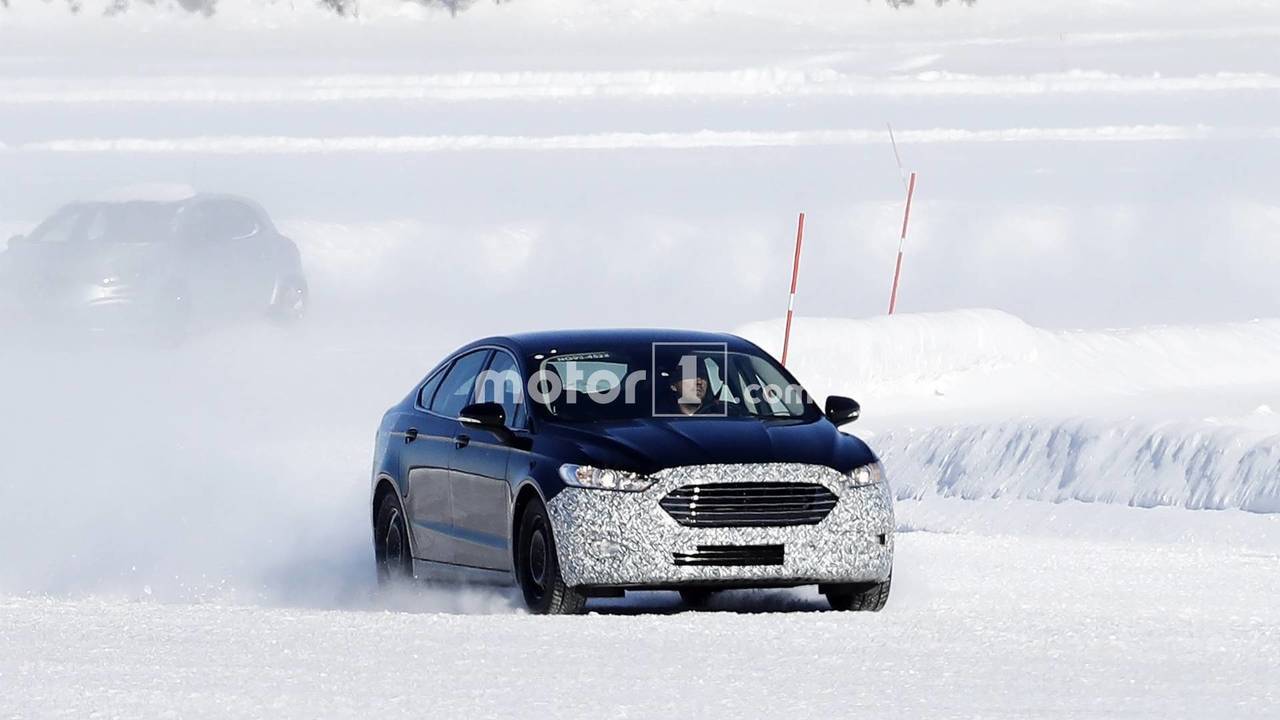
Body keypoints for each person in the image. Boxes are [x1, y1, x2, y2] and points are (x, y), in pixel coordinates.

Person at [655, 355, 726, 416]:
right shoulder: (657, 419)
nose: (699, 382)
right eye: (691, 375)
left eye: (703, 376)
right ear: (673, 385)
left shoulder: (722, 415)